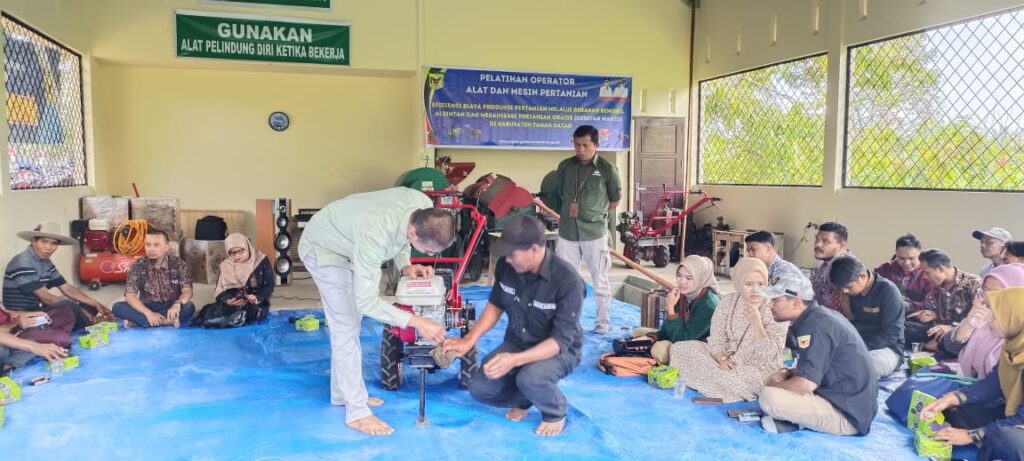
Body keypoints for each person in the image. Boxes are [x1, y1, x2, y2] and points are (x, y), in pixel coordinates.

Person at [298, 187, 455, 436]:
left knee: (351, 324)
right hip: (324, 248)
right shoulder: (374, 234)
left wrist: (406, 265)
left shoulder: (422, 205)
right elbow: (367, 302)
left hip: (351, 239)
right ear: (415, 232)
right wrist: (417, 322)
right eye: (426, 251)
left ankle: (344, 394)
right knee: (346, 327)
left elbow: (401, 236)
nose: (427, 256)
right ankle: (356, 412)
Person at [444, 215, 584, 437]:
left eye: (512, 254)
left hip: (557, 351)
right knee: (480, 388)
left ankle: (555, 411)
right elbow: (495, 305)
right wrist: (469, 340)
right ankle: (526, 399)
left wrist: (513, 361)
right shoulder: (507, 267)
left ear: (535, 249)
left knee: (530, 378)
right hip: (517, 342)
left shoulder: (567, 280)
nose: (507, 259)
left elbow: (560, 342)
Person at [757, 273, 878, 436]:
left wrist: (775, 386)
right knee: (772, 371)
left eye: (775, 300)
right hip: (834, 395)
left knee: (768, 397)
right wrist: (785, 373)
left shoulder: (817, 325)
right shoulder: (810, 319)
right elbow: (796, 361)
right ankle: (798, 421)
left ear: (795, 302)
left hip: (846, 415)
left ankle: (801, 422)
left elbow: (806, 384)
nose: (769, 305)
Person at [921, 285, 1024, 461]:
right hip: (1012, 413)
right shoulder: (1013, 345)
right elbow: (995, 382)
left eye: (995, 314)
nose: (988, 319)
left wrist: (971, 436)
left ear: (1013, 318)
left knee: (1007, 439)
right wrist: (954, 397)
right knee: (955, 408)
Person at [670, 258, 788, 403]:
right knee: (679, 349)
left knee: (733, 382)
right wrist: (721, 358)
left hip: (756, 368)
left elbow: (770, 353)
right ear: (738, 284)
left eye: (761, 284)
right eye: (749, 284)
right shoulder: (728, 301)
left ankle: (716, 382)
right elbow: (716, 337)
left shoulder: (777, 308)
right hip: (724, 358)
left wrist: (757, 323)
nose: (756, 290)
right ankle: (716, 380)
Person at [550, 125, 621, 334]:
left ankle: (602, 322)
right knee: (566, 281)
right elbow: (557, 196)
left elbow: (615, 200)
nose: (580, 149)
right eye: (577, 144)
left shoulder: (608, 170)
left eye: (585, 145)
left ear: (596, 145)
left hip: (594, 234)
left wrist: (594, 213)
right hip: (567, 233)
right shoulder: (565, 166)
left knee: (600, 280)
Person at [3, 222, 114, 330]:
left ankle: (73, 323)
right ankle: (89, 323)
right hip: (23, 315)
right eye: (44, 241)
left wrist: (96, 303)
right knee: (68, 305)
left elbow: (67, 288)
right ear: (34, 241)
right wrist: (87, 315)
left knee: (88, 305)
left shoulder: (46, 262)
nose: (48, 247)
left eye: (54, 243)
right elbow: (46, 298)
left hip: (40, 308)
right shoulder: (23, 262)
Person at [633, 255, 720, 364]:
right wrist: (652, 338)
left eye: (689, 278)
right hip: (682, 336)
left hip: (702, 346)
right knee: (638, 334)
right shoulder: (685, 294)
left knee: (658, 351)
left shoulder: (709, 305)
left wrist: (670, 308)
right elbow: (666, 329)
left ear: (701, 278)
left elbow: (682, 341)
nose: (682, 282)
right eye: (679, 275)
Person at [829, 256, 905, 378]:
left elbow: (891, 334)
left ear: (863, 276)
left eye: (848, 286)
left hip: (886, 349)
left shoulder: (887, 291)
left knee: (869, 364)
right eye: (841, 287)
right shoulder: (847, 293)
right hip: (855, 345)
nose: (844, 291)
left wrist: (858, 348)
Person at [112, 227, 196, 329]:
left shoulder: (178, 264)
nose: (151, 249)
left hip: (171, 306)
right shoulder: (138, 265)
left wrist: (177, 304)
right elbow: (130, 295)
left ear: (167, 247)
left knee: (189, 307)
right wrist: (149, 313)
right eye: (148, 245)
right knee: (118, 307)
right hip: (147, 306)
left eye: (156, 245)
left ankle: (140, 322)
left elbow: (187, 290)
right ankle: (166, 321)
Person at [956, 263, 1024, 378]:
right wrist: (970, 321)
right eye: (985, 290)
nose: (988, 296)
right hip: (974, 386)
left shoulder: (1018, 327)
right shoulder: (984, 315)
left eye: (996, 292)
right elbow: (952, 345)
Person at [909, 249, 982, 354]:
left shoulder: (974, 283)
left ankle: (931, 346)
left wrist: (953, 328)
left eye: (927, 272)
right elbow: (946, 314)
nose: (925, 276)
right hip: (938, 330)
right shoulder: (937, 285)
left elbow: (981, 318)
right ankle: (931, 346)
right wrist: (934, 315)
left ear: (941, 269)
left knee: (955, 341)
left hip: (961, 334)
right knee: (903, 327)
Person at [194, 233, 274, 328]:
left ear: (247, 247)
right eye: (233, 253)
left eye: (241, 252)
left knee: (250, 312)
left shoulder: (261, 261)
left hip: (255, 303)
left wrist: (257, 298)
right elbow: (220, 291)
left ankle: (227, 319)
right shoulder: (226, 265)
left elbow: (269, 286)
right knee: (209, 310)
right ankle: (229, 319)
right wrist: (228, 300)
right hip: (233, 302)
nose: (238, 256)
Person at [0, 302, 71, 372]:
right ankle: (7, 366)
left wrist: (26, 315)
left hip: (14, 332)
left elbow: (8, 313)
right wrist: (34, 346)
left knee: (65, 308)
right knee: (2, 350)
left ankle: (44, 334)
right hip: (9, 336)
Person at [874, 233, 933, 315]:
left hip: (915, 319)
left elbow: (931, 304)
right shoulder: (884, 269)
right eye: (901, 258)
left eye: (911, 258)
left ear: (920, 255)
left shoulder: (928, 273)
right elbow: (873, 293)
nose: (907, 263)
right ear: (896, 253)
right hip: (884, 315)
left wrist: (902, 304)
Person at [810, 222, 854, 318]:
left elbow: (846, 311)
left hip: (834, 327)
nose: (818, 244)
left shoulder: (846, 267)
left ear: (841, 245)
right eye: (817, 239)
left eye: (825, 241)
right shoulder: (828, 262)